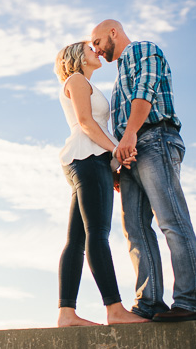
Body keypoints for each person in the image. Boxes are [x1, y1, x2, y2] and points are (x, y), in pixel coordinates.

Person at [90, 19, 196, 322]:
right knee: (135, 231)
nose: (97, 50)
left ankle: (192, 301)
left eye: (98, 42)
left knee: (172, 220)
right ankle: (149, 302)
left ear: (113, 33)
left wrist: (130, 135)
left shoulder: (143, 49)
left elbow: (145, 92)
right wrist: (119, 160)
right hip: (131, 152)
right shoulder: (118, 76)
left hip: (154, 139)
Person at [54, 41, 149, 327]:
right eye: (89, 48)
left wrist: (110, 164)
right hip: (89, 157)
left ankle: (66, 315)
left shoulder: (83, 82)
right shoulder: (77, 79)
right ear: (76, 57)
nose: (96, 51)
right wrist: (115, 153)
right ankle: (115, 310)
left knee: (77, 239)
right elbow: (85, 122)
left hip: (88, 161)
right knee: (98, 234)